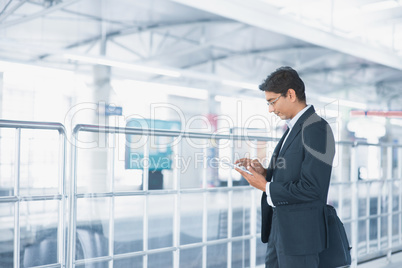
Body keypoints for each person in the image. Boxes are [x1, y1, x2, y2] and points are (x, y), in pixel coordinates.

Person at [235, 66, 335, 268]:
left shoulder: (316, 128)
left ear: (290, 94)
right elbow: (294, 172)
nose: (270, 109)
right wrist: (265, 172)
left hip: (300, 238)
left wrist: (265, 186)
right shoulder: (294, 128)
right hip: (280, 229)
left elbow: (312, 188)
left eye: (272, 102)